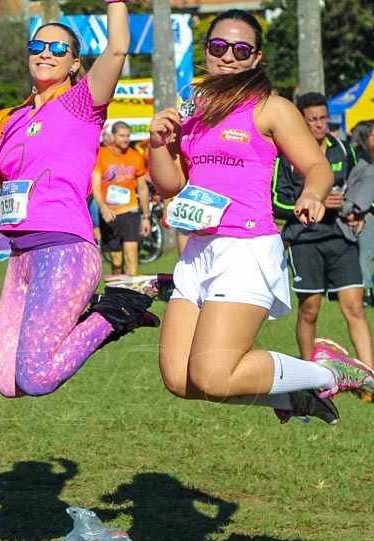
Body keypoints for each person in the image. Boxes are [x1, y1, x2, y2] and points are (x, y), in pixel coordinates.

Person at [148, 9, 374, 425]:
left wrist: (312, 194)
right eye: (219, 47)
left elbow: (318, 167)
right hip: (197, 248)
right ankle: (292, 398)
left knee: (213, 376)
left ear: (256, 57)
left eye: (240, 49)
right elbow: (170, 186)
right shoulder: (192, 109)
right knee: (180, 379)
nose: (228, 56)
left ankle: (333, 371)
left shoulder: (271, 107)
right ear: (207, 52)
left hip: (245, 248)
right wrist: (158, 143)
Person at [0, 0, 161, 399]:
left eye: (57, 49)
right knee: (9, 383)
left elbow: (118, 47)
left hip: (63, 249)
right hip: (21, 256)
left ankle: (120, 307)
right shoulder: (13, 119)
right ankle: (112, 315)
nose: (45, 54)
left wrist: (115, 3)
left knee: (35, 378)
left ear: (73, 64)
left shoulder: (81, 102)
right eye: (37, 48)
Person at [273, 92, 373, 372]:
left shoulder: (342, 149)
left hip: (341, 238)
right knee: (310, 310)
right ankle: (309, 377)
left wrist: (360, 212)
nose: (319, 125)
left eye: (323, 118)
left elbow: (362, 182)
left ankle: (369, 378)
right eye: (312, 120)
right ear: (301, 122)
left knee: (355, 307)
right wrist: (312, 200)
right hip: (305, 240)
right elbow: (275, 202)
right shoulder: (287, 156)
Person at [92, 120, 151, 276]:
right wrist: (103, 208)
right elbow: (95, 187)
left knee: (131, 255)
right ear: (113, 136)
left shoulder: (135, 157)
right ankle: (118, 294)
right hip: (109, 213)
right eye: (121, 136)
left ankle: (132, 297)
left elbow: (143, 188)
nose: (126, 139)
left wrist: (146, 217)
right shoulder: (101, 155)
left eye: (128, 136)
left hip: (130, 211)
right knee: (116, 261)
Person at [347, 119, 374, 307]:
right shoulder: (359, 159)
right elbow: (355, 189)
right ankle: (366, 295)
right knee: (365, 255)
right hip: (365, 214)